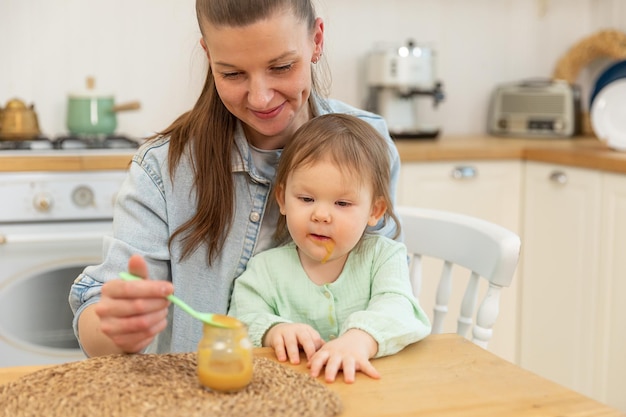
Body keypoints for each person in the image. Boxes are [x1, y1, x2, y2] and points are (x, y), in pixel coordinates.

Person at [69, 0, 402, 358]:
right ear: (209, 56)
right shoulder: (163, 168)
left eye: (282, 66)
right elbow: (98, 314)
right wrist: (117, 329)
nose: (260, 98)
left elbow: (389, 291)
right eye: (232, 74)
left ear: (316, 41)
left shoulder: (370, 145)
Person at [228, 114, 431, 383]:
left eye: (342, 204)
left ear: (375, 210)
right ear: (283, 199)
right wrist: (273, 330)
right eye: (307, 199)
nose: (321, 215)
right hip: (291, 398)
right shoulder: (265, 269)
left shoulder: (383, 257)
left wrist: (360, 339)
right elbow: (239, 321)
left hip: (373, 392)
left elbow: (399, 309)